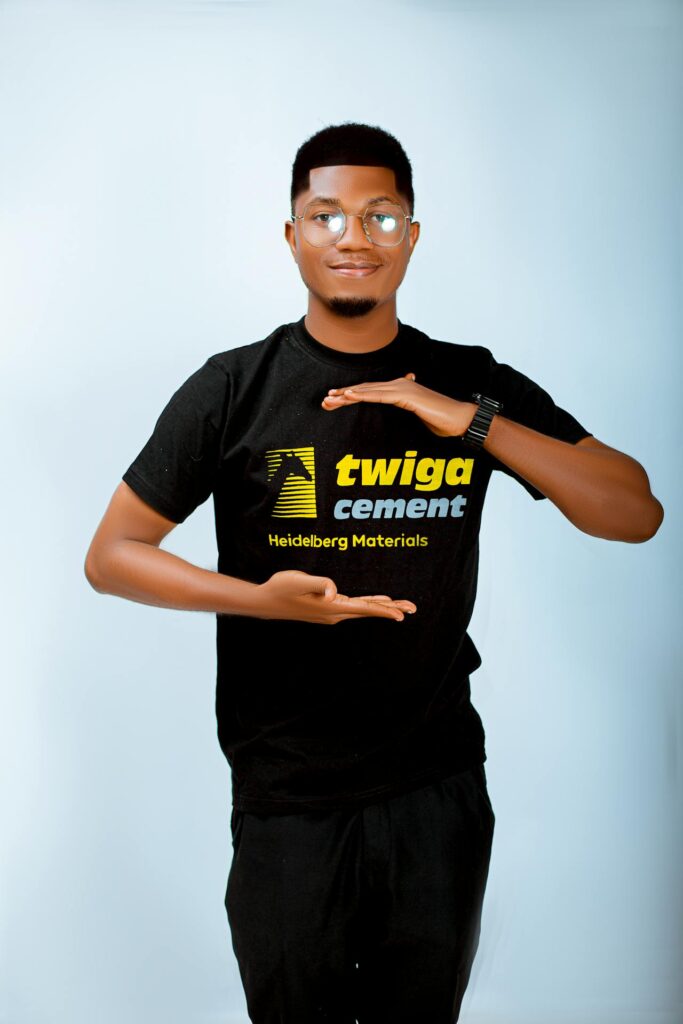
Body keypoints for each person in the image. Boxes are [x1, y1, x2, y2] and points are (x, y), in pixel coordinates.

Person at [84, 122, 664, 1024]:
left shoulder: (467, 379)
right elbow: (112, 555)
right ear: (292, 236)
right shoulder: (235, 388)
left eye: (380, 216)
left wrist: (470, 422)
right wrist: (263, 603)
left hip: (436, 789)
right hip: (288, 798)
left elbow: (632, 512)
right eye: (325, 216)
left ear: (411, 235)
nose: (353, 237)